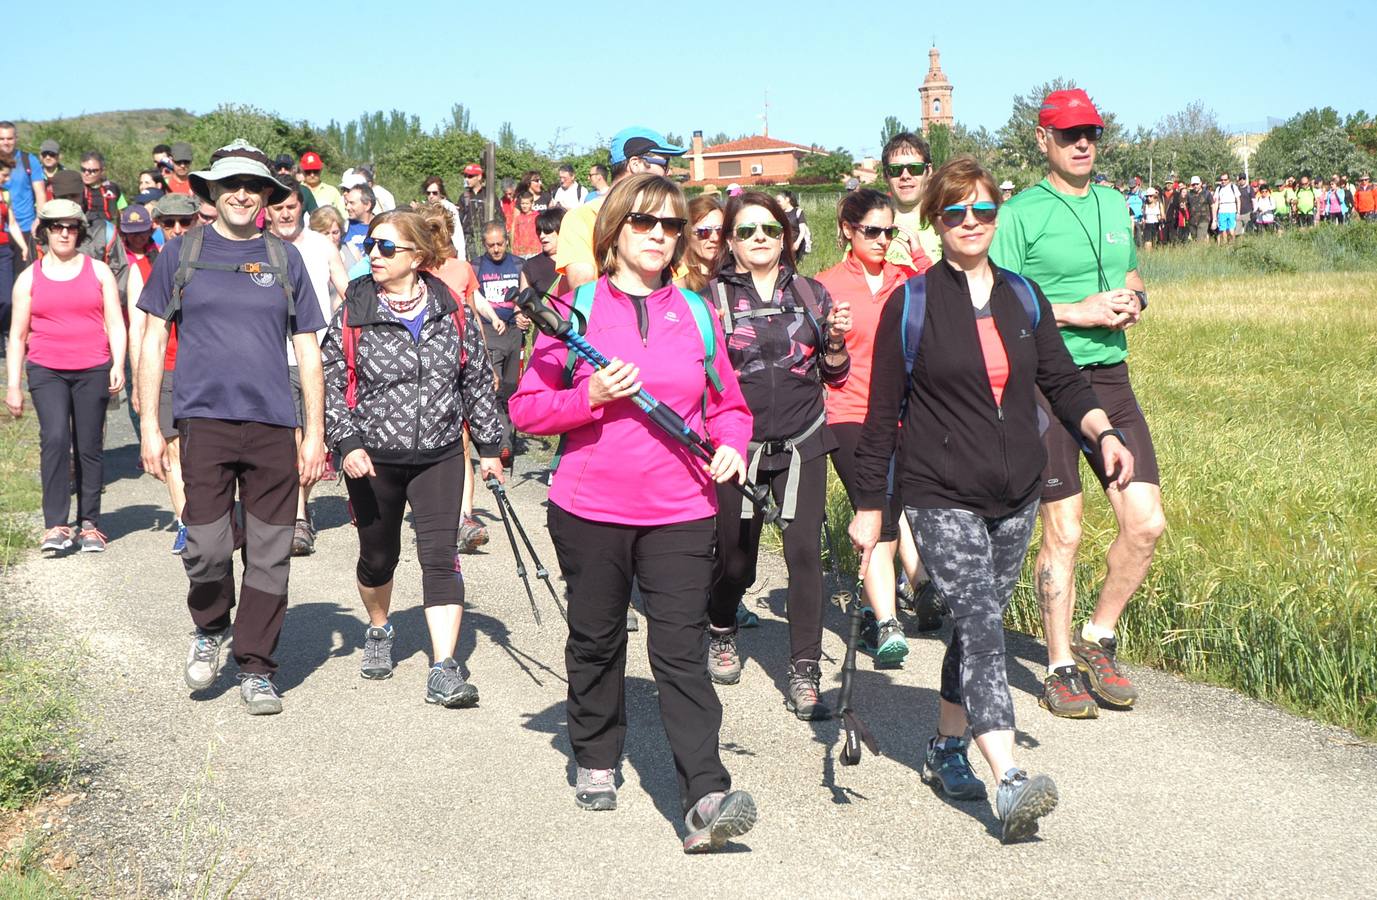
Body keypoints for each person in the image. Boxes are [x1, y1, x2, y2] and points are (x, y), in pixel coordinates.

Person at [849, 155, 1135, 844]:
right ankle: (1006, 777)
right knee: (978, 619)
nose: (969, 223)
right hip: (937, 490)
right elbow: (881, 408)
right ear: (936, 221)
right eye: (954, 213)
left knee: (975, 627)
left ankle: (945, 746)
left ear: (994, 215)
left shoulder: (1022, 295)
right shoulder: (911, 303)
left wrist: (1102, 434)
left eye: (981, 211)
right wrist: (869, 505)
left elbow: (1063, 382)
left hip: (1013, 493)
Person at [509, 172, 757, 851]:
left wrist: (732, 446)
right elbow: (527, 409)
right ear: (614, 230)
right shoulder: (577, 308)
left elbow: (729, 406)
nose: (658, 236)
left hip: (682, 508)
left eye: (671, 225)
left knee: (680, 651)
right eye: (645, 223)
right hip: (590, 508)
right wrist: (587, 394)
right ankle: (594, 755)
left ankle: (704, 793)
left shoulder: (699, 311)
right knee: (596, 640)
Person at [135, 139, 329, 716]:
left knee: (271, 553)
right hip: (204, 421)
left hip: (273, 424)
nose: (242, 194)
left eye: (253, 186)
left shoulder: (284, 258)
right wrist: (151, 424)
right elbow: (150, 340)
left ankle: (257, 666)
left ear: (267, 195)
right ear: (212, 194)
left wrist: (313, 432)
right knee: (207, 548)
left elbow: (307, 347)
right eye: (230, 186)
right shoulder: (182, 253)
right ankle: (211, 625)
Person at [990, 87, 1165, 720]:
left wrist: (1133, 301)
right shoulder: (1019, 214)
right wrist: (1076, 311)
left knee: (1145, 523)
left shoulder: (1116, 203)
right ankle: (1059, 664)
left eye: (1090, 131)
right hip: (1044, 382)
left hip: (1111, 378)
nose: (1083, 142)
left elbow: (1134, 273)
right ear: (1044, 140)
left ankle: (1098, 638)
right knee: (1063, 529)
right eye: (1069, 134)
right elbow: (999, 301)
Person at [321, 209, 503, 703]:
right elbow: (332, 384)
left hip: (441, 454)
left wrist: (489, 446)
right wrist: (347, 442)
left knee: (439, 557)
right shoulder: (354, 310)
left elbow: (474, 379)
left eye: (385, 247)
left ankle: (444, 668)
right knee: (379, 558)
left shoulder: (451, 308)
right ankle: (379, 628)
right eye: (370, 246)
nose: (372, 255)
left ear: (418, 257)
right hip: (372, 458)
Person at [704, 191, 851, 719]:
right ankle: (721, 626)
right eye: (746, 231)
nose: (759, 238)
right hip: (734, 448)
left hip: (802, 441)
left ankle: (805, 669)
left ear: (785, 235)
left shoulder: (813, 294)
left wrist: (834, 344)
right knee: (736, 559)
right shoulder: (708, 298)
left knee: (804, 555)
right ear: (730, 241)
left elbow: (834, 375)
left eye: (769, 228)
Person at [817, 188, 932, 664]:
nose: (882, 240)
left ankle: (870, 615)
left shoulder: (904, 281)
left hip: (900, 417)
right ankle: (888, 622)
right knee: (879, 512)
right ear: (847, 229)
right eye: (872, 231)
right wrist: (833, 336)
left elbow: (946, 293)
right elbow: (821, 364)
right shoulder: (824, 286)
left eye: (890, 231)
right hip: (846, 412)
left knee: (892, 508)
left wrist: (917, 245)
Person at [5, 199, 125, 553]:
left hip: (92, 367)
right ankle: (56, 524)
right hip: (47, 370)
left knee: (88, 444)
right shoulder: (29, 277)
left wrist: (118, 363)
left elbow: (115, 323)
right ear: (44, 232)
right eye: (56, 226)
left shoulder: (99, 271)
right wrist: (13, 385)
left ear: (79, 231)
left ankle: (90, 524)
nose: (64, 232)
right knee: (55, 439)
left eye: (71, 226)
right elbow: (17, 335)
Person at [265, 185, 350, 557]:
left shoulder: (321, 245)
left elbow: (349, 292)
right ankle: (298, 517)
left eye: (291, 206)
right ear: (267, 212)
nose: (285, 213)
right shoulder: (258, 246)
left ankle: (300, 509)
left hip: (319, 353)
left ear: (302, 207)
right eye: (278, 207)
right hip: (272, 356)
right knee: (291, 436)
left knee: (314, 434)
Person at [126, 193, 199, 553]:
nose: (176, 230)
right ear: (157, 226)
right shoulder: (145, 268)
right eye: (168, 223)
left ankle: (212, 517)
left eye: (184, 222)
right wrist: (142, 386)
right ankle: (187, 522)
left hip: (206, 369)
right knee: (174, 451)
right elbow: (139, 333)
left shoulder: (208, 259)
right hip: (167, 367)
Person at [555, 127, 686, 291]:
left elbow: (679, 293)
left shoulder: (666, 218)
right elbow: (584, 291)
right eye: (664, 164)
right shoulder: (582, 217)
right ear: (636, 164)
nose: (669, 172)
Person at [475, 221, 525, 463]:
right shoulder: (476, 266)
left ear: (507, 241)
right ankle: (500, 442)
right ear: (484, 245)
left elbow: (527, 297)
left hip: (515, 333)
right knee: (493, 388)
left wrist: (523, 314)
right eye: (491, 245)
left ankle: (506, 439)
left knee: (511, 388)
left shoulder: (518, 265)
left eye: (500, 244)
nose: (496, 249)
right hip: (489, 333)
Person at [0, 155, 33, 345]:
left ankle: (4, 329)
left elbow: (12, 224)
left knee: (6, 298)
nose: (7, 179)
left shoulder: (5, 195)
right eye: (4, 175)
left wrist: (23, 247)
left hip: (4, 249)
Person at [0, 121, 48, 239]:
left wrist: (39, 219)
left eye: (10, 138)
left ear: (16, 139)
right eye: (2, 139)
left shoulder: (29, 160)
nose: (6, 142)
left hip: (26, 227)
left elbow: (40, 193)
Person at [677, 193, 722, 294]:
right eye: (704, 232)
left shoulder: (732, 272)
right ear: (687, 233)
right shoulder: (678, 276)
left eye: (720, 231)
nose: (715, 238)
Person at [419, 176, 465, 257]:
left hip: (446, 250)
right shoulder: (425, 207)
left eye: (434, 193)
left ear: (440, 193)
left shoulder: (449, 208)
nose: (431, 196)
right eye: (428, 193)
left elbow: (457, 235)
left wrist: (461, 256)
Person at [309, 204, 357, 269]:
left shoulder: (351, 250)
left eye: (335, 233)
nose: (331, 238)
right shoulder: (310, 257)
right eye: (326, 234)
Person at [300, 151, 345, 219]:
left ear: (320, 170)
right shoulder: (296, 191)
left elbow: (342, 216)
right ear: (302, 171)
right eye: (308, 171)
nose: (312, 175)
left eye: (315, 171)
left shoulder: (332, 192)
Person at [458, 164, 488, 260]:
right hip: (469, 240)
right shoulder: (464, 197)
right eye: (465, 176)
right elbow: (458, 220)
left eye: (470, 176)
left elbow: (499, 217)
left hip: (486, 239)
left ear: (479, 177)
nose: (467, 179)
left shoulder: (489, 195)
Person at [343, 185, 377, 260]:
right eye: (347, 203)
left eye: (352, 203)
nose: (347, 207)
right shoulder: (343, 228)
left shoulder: (381, 227)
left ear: (367, 205)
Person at [509, 192, 541, 258]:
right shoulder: (518, 218)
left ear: (532, 204)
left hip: (535, 251)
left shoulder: (537, 217)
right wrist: (513, 249)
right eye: (522, 203)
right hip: (520, 252)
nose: (524, 206)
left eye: (527, 203)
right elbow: (514, 234)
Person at [1212, 172, 1241, 243]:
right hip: (1222, 211)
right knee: (1223, 230)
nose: (1223, 181)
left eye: (1225, 179)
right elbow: (1216, 203)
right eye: (1222, 180)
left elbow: (1238, 200)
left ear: (1229, 180)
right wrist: (1214, 217)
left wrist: (1238, 212)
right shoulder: (1218, 189)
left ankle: (1232, 244)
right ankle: (1225, 244)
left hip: (1232, 211)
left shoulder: (1233, 187)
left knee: (1231, 230)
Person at [1186, 176, 1211, 242]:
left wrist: (1214, 219)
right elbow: (1187, 206)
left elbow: (1213, 205)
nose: (1195, 186)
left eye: (1197, 184)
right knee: (1194, 239)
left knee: (1200, 240)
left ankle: (1202, 251)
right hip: (1192, 221)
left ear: (1201, 183)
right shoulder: (1189, 194)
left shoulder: (1207, 193)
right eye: (1193, 184)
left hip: (1204, 220)